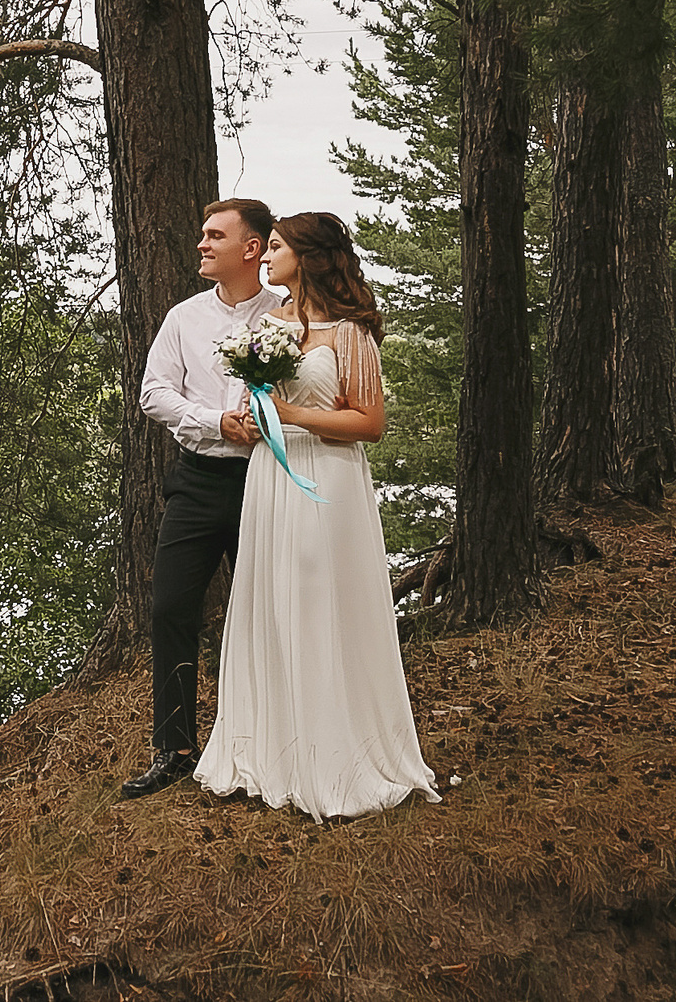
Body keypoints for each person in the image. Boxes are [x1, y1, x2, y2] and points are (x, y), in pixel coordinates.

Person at [197, 211, 439, 820]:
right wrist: (255, 419)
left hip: (326, 478)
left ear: (306, 257)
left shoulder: (348, 332)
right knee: (272, 599)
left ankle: (335, 751)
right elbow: (259, 402)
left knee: (319, 599)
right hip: (269, 478)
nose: (266, 257)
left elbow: (369, 423)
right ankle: (273, 749)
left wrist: (294, 417)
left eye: (275, 247)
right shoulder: (268, 325)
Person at [119, 198, 284, 800]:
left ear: (251, 248)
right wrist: (215, 421)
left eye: (215, 236)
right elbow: (154, 393)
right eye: (203, 234)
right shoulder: (183, 318)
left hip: (266, 481)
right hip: (194, 482)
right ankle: (175, 748)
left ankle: (271, 744)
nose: (202, 244)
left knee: (267, 614)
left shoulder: (287, 316)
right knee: (170, 609)